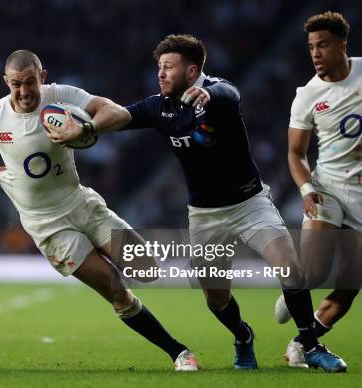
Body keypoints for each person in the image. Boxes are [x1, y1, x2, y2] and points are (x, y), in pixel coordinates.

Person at [45, 34, 347, 372]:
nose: (160, 73)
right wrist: (86, 128)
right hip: (205, 217)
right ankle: (242, 335)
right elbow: (122, 116)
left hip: (250, 205)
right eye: (159, 67)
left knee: (288, 267)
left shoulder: (218, 93)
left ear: (192, 72)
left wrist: (208, 93)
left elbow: (229, 94)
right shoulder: (161, 106)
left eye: (168, 67)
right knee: (215, 299)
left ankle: (311, 345)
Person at [0, 49, 198, 371]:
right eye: (16, 84)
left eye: (30, 82)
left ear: (41, 77)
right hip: (47, 224)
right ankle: (179, 352)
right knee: (115, 289)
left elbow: (112, 111)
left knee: (146, 267)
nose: (24, 91)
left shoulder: (62, 97)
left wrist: (85, 129)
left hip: (80, 202)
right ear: (6, 83)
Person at [274, 11, 361, 367]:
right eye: (311, 46)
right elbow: (295, 153)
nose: (315, 53)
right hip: (327, 188)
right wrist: (307, 187)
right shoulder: (307, 96)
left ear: (342, 45)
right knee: (315, 268)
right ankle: (297, 283)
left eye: (322, 45)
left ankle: (301, 343)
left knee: (350, 286)